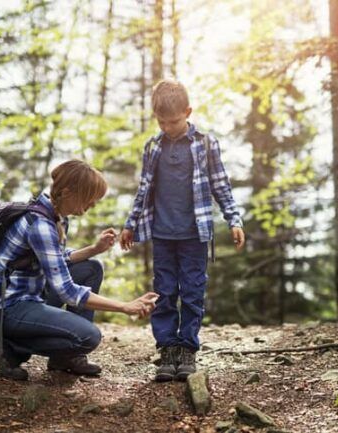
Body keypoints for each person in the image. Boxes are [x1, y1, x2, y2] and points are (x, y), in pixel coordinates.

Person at [0, 159, 158, 381]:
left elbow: (56, 260)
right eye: (89, 197)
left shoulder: (56, 215)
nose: (93, 204)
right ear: (67, 192)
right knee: (88, 337)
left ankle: (64, 359)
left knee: (91, 268)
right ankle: (9, 348)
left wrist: (94, 249)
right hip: (6, 308)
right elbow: (67, 291)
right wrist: (124, 307)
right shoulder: (41, 225)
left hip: (31, 295)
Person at [120, 79, 245, 382]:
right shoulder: (152, 147)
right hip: (162, 235)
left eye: (174, 121)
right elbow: (144, 190)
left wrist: (234, 219)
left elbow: (220, 184)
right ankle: (167, 348)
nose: (168, 126)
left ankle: (187, 348)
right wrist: (131, 223)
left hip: (195, 235)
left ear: (188, 112)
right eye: (162, 121)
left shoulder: (204, 143)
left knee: (192, 292)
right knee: (164, 292)